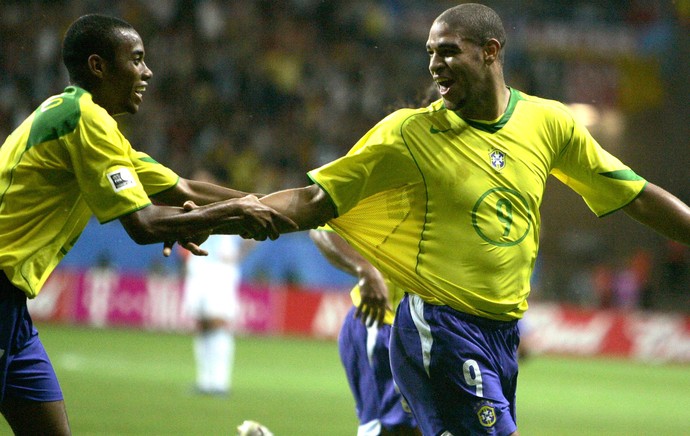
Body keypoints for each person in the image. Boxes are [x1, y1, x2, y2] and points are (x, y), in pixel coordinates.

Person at [243, 3, 690, 435]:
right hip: (407, 323)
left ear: (490, 53)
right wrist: (365, 269)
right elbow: (320, 214)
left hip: (480, 330)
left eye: (448, 53)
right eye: (431, 56)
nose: (436, 69)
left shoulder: (531, 133)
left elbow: (631, 198)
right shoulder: (406, 143)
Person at [0, 14, 295, 435]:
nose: (147, 71)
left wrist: (285, 211)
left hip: (13, 311)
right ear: (99, 66)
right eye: (136, 60)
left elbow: (182, 187)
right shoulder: (85, 121)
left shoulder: (91, 124)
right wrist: (230, 214)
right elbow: (143, 224)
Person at [310, 228, 420, 436]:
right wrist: (364, 268)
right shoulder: (378, 196)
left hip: (439, 328)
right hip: (386, 325)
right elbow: (322, 230)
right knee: (395, 429)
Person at [182, 170, 256, 397]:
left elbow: (253, 234)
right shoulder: (189, 207)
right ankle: (205, 381)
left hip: (220, 272)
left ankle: (221, 382)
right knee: (201, 324)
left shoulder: (229, 205)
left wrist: (237, 256)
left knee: (218, 322)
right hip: (198, 270)